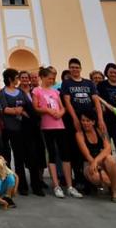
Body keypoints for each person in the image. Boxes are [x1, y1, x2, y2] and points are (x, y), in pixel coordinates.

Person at [0, 68, 43, 197]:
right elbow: (5, 109)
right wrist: (18, 110)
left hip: (25, 129)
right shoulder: (2, 93)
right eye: (16, 77)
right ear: (11, 79)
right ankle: (21, 185)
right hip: (11, 129)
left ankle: (36, 186)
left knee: (31, 156)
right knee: (18, 158)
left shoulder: (20, 92)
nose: (18, 79)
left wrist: (19, 110)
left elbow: (28, 106)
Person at [33, 66, 78, 199]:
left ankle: (70, 186)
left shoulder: (55, 92)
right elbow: (36, 107)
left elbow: (62, 107)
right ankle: (56, 185)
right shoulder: (37, 90)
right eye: (49, 78)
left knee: (65, 154)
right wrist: (47, 111)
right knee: (52, 154)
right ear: (43, 77)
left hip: (59, 125)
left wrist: (60, 112)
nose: (52, 80)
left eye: (53, 78)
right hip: (47, 126)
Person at [61, 58, 105, 190]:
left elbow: (96, 101)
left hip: (90, 121)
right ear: (69, 69)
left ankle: (97, 176)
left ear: (80, 68)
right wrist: (75, 119)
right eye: (72, 67)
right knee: (75, 150)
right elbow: (67, 102)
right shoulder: (66, 83)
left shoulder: (89, 83)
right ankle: (80, 178)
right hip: (74, 121)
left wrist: (100, 118)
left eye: (76, 67)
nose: (74, 69)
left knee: (94, 147)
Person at [76, 112, 116, 202]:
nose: (85, 123)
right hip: (88, 163)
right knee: (100, 179)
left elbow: (108, 148)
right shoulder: (79, 134)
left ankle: (114, 192)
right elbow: (87, 154)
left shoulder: (100, 131)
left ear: (93, 122)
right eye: (83, 120)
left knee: (111, 159)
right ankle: (109, 185)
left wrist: (96, 161)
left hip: (100, 161)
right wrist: (95, 163)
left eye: (88, 121)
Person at [18, 70, 46, 196]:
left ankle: (37, 183)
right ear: (19, 78)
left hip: (37, 125)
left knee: (38, 153)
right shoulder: (17, 91)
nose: (24, 79)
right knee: (28, 155)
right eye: (22, 77)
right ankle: (23, 184)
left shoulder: (34, 90)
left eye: (26, 77)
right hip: (24, 126)